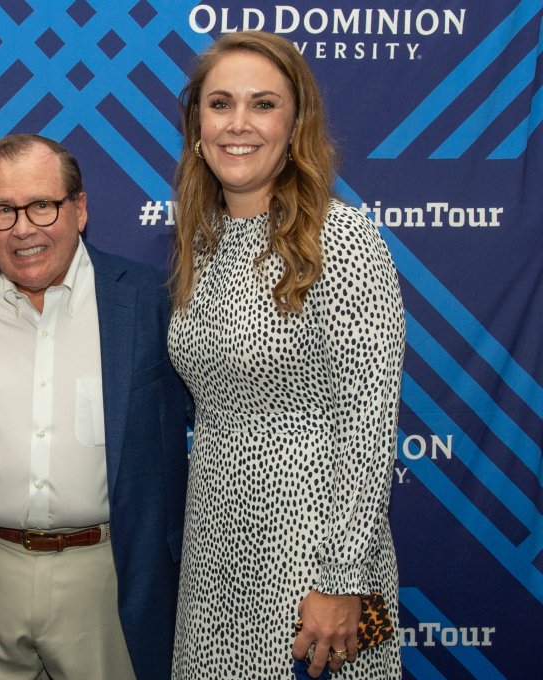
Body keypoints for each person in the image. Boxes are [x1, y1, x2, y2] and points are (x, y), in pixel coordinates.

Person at [167, 31, 405, 679]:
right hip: (216, 556)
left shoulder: (342, 240)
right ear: (197, 125)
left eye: (263, 104)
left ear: (296, 125)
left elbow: (369, 423)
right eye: (220, 104)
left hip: (317, 570)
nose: (238, 123)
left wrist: (341, 580)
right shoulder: (202, 243)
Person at [0, 134, 189, 680]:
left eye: (42, 205)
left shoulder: (151, 301)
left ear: (80, 208)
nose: (23, 228)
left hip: (108, 578)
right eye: (3, 210)